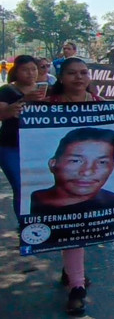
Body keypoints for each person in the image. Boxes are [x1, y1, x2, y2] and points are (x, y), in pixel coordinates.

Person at [45, 57, 114, 315]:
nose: (79, 78)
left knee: (75, 234)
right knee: (70, 231)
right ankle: (77, 287)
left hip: (89, 193)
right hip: (63, 190)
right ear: (61, 78)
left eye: (83, 73)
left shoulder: (100, 105)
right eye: (72, 73)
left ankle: (73, 274)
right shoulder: (47, 106)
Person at [30, 128, 114, 215]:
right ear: (53, 164)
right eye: (76, 161)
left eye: (102, 162)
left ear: (112, 167)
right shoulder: (34, 199)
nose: (87, 172)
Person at [0, 55, 46, 219]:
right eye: (25, 70)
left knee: (39, 187)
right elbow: (2, 114)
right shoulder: (6, 90)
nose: (30, 73)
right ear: (16, 72)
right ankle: (24, 225)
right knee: (21, 187)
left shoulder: (45, 89)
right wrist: (24, 100)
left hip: (38, 148)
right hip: (11, 147)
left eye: (33, 69)